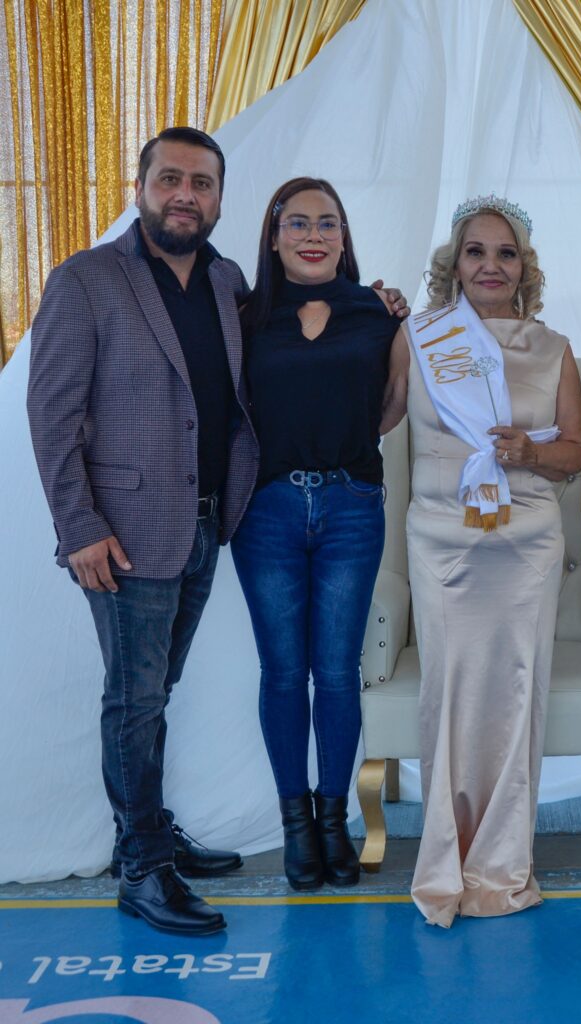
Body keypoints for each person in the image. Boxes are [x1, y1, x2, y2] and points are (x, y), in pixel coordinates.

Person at [27, 127, 256, 935]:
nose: (185, 194)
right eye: (170, 179)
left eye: (201, 182)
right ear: (141, 187)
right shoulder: (86, 280)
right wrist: (78, 526)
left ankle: (151, 827)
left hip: (205, 523)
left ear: (219, 198)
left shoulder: (227, 281)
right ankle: (142, 867)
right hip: (122, 534)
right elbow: (51, 414)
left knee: (156, 692)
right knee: (133, 698)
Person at [382, 195, 581, 926]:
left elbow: (576, 453)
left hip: (526, 542)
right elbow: (379, 417)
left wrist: (529, 452)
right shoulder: (420, 336)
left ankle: (501, 862)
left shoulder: (554, 347)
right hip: (442, 539)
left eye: (506, 254)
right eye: (476, 252)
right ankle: (445, 860)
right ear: (455, 263)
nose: (490, 266)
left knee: (517, 695)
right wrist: (368, 324)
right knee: (450, 693)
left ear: (524, 267)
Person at [231, 177, 403, 892]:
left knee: (335, 671)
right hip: (266, 510)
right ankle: (295, 825)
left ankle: (334, 820)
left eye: (327, 223)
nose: (312, 235)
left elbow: (390, 406)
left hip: (352, 505)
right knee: (281, 672)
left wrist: (344, 448)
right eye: (297, 223)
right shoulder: (243, 317)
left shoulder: (379, 313)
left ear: (343, 237)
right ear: (273, 237)